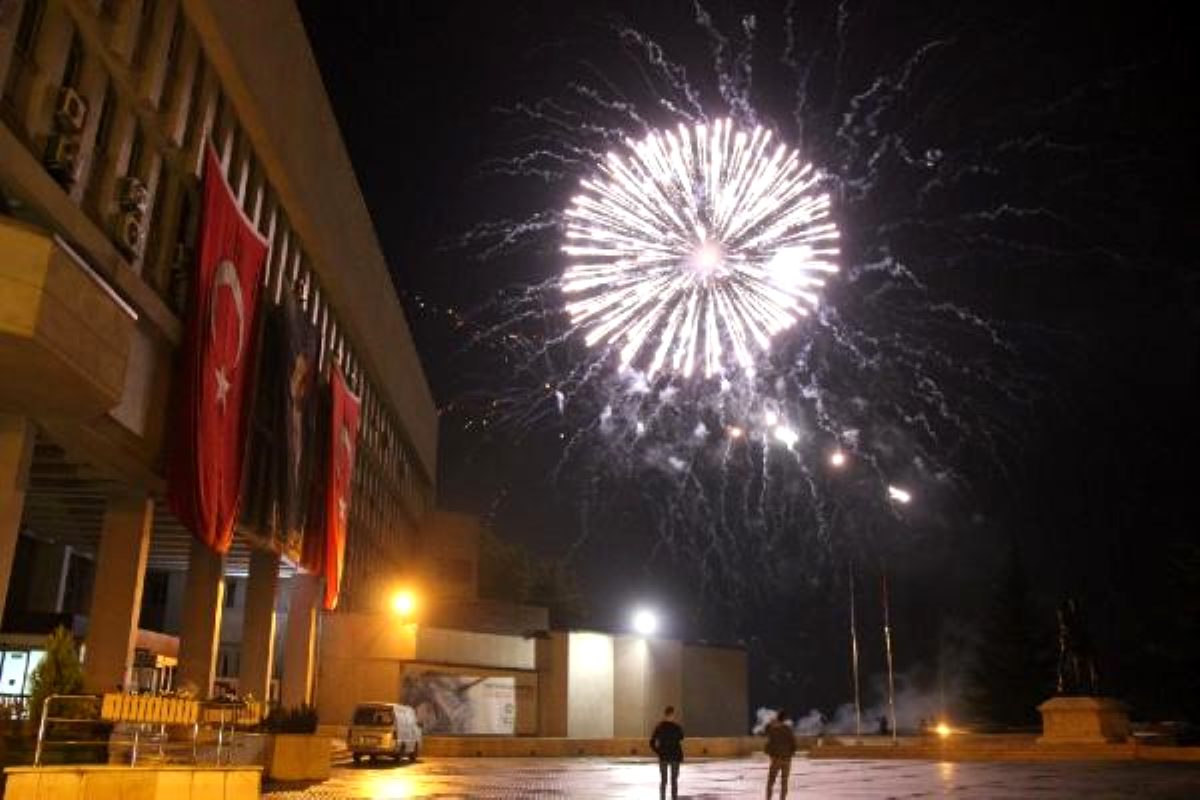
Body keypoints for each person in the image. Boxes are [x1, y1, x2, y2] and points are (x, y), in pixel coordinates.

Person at [650, 705, 684, 800]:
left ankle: (662, 798)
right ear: (672, 715)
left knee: (663, 781)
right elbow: (681, 737)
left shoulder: (659, 727)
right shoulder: (677, 727)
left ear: (665, 714)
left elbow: (652, 742)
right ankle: (674, 798)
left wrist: (658, 751)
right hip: (675, 757)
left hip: (663, 757)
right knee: (674, 781)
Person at [764, 709, 798, 799]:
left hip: (776, 759)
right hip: (786, 759)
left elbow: (765, 732)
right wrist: (791, 754)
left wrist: (771, 723)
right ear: (785, 719)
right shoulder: (788, 729)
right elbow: (793, 744)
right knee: (784, 782)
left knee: (771, 782)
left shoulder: (773, 728)